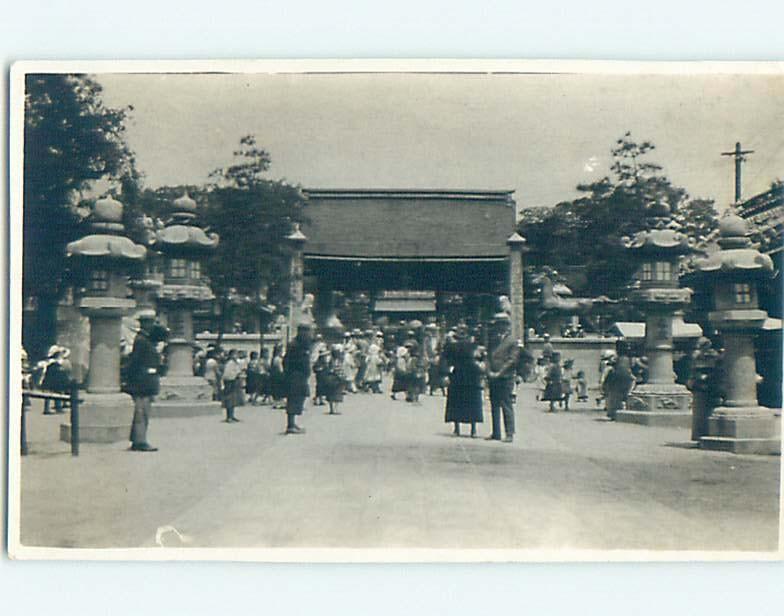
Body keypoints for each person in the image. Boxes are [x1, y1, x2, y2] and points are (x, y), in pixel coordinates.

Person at [126, 311, 164, 452]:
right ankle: (140, 441)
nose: (153, 325)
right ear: (145, 323)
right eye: (151, 322)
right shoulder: (142, 340)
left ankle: (138, 439)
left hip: (145, 381)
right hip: (142, 382)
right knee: (141, 412)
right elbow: (136, 361)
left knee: (143, 412)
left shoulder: (146, 339)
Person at [444, 324, 484, 437]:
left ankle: (469, 429)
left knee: (462, 401)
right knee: (465, 401)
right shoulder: (472, 345)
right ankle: (465, 429)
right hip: (467, 375)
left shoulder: (453, 345)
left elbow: (445, 360)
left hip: (463, 375)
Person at [486, 313, 520, 442]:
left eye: (500, 324)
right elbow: (488, 356)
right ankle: (496, 432)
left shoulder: (512, 341)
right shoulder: (493, 339)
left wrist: (499, 372)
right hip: (493, 376)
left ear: (506, 326)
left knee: (506, 404)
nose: (497, 328)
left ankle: (509, 433)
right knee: (494, 404)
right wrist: (489, 371)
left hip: (506, 377)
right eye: (496, 325)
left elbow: (512, 360)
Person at [283, 323, 313, 434]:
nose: (309, 334)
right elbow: (288, 361)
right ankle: (290, 425)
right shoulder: (295, 345)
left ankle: (293, 423)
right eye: (307, 332)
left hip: (300, 376)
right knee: (294, 399)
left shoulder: (302, 345)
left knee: (299, 398)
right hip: (295, 376)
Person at [603, 355, 636, 420]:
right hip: (624, 387)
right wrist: (630, 388)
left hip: (615, 389)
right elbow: (632, 379)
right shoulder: (627, 371)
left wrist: (605, 387)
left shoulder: (614, 371)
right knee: (621, 401)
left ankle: (613, 415)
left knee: (614, 401)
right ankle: (619, 414)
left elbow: (608, 380)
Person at [221, 349, 242, 422]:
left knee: (234, 399)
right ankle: (228, 417)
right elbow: (227, 374)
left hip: (235, 381)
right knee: (229, 399)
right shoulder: (230, 363)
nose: (236, 356)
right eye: (235, 354)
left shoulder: (235, 363)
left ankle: (232, 415)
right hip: (230, 382)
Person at [325, 345, 346, 415]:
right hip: (336, 378)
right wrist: (342, 378)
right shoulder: (337, 360)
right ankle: (335, 409)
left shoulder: (329, 359)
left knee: (331, 394)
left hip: (330, 378)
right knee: (336, 394)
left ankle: (332, 409)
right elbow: (339, 370)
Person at [269, 344, 286, 408]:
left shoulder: (274, 358)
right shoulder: (277, 359)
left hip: (275, 375)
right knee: (279, 389)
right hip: (278, 375)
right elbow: (280, 368)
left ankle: (278, 402)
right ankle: (278, 403)